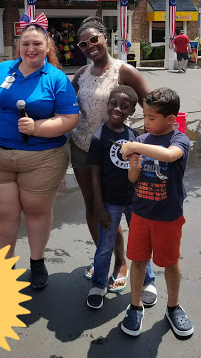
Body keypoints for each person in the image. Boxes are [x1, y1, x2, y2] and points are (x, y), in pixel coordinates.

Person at [0, 13, 79, 289]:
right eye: (25, 44)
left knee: (36, 212)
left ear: (47, 47)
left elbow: (70, 119)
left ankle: (37, 262)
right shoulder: (3, 71)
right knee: (4, 214)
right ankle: (4, 266)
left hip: (42, 159)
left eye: (37, 44)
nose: (31, 49)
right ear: (18, 46)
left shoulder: (56, 78)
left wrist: (36, 128)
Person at [70, 17, 157, 307]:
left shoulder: (125, 71)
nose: (89, 46)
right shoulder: (82, 73)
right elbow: (64, 102)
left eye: (94, 39)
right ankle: (103, 259)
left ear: (105, 37)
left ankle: (122, 262)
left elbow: (151, 107)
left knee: (115, 206)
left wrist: (144, 146)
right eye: (83, 43)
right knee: (94, 208)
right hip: (83, 148)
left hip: (118, 154)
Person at [120, 87, 194, 337]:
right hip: (140, 214)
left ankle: (173, 307)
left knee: (170, 263)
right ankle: (135, 305)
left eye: (152, 118)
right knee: (138, 261)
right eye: (145, 117)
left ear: (171, 119)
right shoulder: (141, 141)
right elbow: (132, 179)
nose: (146, 122)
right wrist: (133, 162)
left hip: (168, 216)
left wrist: (133, 146)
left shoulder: (179, 140)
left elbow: (170, 156)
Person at [86, 85, 139, 309]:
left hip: (134, 201)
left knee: (140, 244)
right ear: (107, 105)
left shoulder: (134, 135)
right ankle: (98, 284)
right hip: (110, 203)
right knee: (105, 247)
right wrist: (99, 206)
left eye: (124, 107)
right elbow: (95, 176)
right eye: (114, 104)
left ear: (131, 111)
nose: (118, 109)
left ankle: (147, 281)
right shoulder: (99, 138)